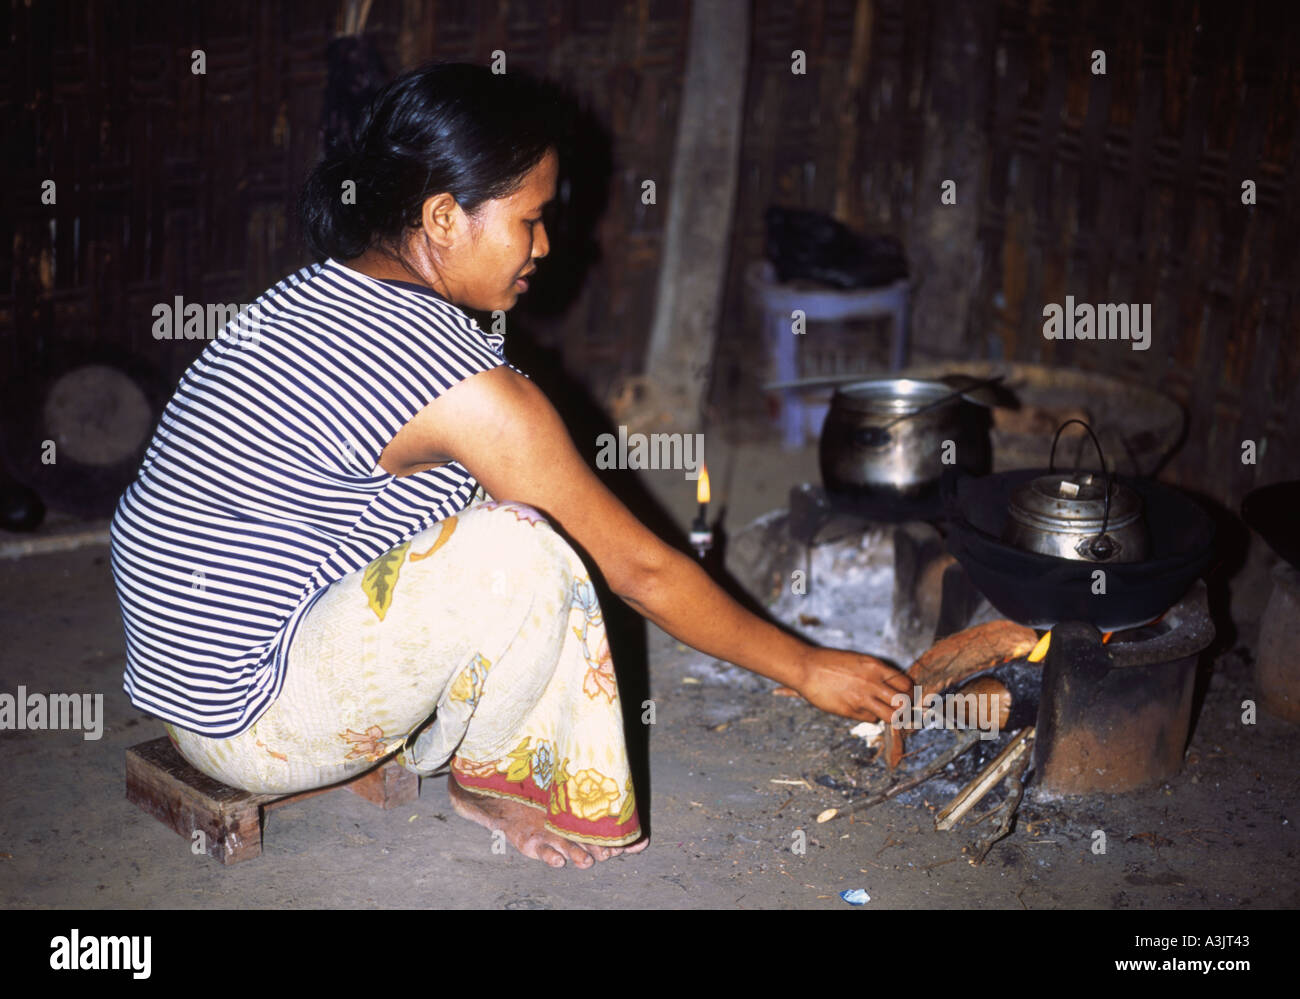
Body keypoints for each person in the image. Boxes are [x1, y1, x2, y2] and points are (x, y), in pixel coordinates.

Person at [109, 62, 911, 870]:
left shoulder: (319, 292)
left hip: (188, 686)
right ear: (444, 217)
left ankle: (447, 754)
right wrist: (806, 665)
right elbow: (637, 569)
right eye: (531, 220)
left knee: (487, 506)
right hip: (251, 723)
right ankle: (496, 776)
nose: (547, 245)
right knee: (524, 549)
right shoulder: (462, 384)